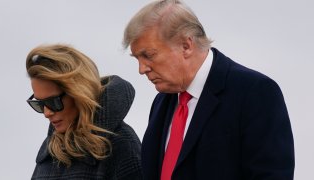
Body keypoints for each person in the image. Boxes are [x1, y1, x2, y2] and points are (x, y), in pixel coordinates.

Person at [122, 0, 294, 180]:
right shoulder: (162, 101)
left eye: (148, 55)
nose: (141, 69)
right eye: (137, 59)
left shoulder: (255, 92)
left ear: (186, 45)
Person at [26, 44, 142, 179]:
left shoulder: (122, 143)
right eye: (40, 104)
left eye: (53, 102)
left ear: (78, 93)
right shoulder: (50, 150)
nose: (47, 113)